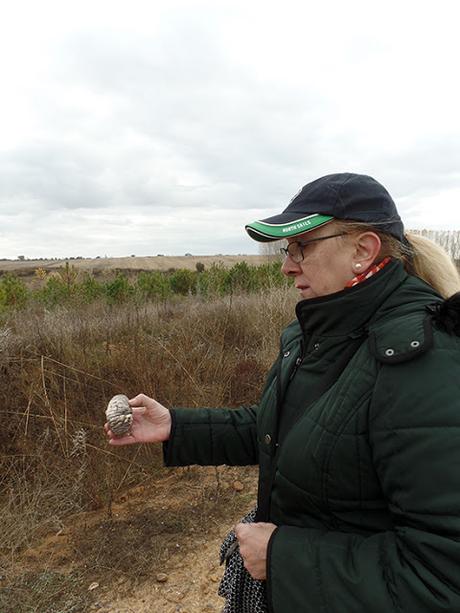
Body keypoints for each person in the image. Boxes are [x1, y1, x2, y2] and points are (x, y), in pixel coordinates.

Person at [105, 172, 460, 613]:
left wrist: (283, 557)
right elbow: (287, 429)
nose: (288, 265)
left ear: (363, 251)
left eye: (301, 247)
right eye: (286, 250)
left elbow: (443, 577)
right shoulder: (314, 332)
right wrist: (176, 426)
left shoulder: (422, 358)